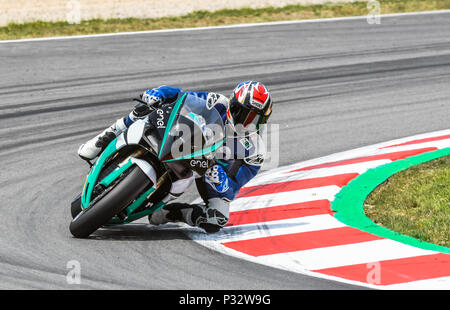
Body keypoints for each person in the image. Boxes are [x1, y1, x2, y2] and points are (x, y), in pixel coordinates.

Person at [78, 81, 273, 233]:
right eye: (246, 115)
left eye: (256, 119)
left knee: (216, 219)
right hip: (185, 142)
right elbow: (182, 97)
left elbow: (232, 189)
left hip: (207, 171)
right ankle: (102, 140)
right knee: (145, 108)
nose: (248, 123)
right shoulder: (218, 102)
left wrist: (220, 179)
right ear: (233, 104)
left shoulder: (254, 151)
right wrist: (160, 93)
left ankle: (170, 213)